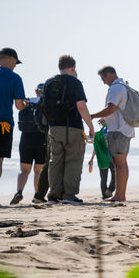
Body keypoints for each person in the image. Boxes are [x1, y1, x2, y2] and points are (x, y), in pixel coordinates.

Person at [46, 55, 95, 205]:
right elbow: (81, 107)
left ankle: (54, 195)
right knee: (73, 162)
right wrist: (90, 127)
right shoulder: (75, 82)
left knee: (55, 161)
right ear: (73, 67)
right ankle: (69, 195)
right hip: (72, 127)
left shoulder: (49, 82)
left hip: (53, 128)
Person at [0, 48, 27, 206]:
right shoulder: (15, 78)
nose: (16, 65)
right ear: (10, 59)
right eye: (16, 62)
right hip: (3, 124)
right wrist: (25, 104)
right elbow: (18, 106)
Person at [90, 66, 133, 202]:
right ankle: (121, 195)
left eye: (103, 78)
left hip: (117, 131)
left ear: (109, 75)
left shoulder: (115, 88)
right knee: (122, 163)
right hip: (126, 129)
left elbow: (110, 108)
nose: (103, 82)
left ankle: (119, 196)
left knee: (118, 163)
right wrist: (105, 118)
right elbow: (116, 110)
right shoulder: (124, 86)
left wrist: (92, 116)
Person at [11, 84, 46, 204]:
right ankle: (37, 195)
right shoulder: (46, 103)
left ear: (36, 92)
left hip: (26, 138)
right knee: (38, 171)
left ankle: (19, 191)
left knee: (24, 170)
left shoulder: (26, 101)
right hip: (42, 139)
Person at [88, 123, 116, 199]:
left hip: (102, 158)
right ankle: (109, 191)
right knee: (115, 175)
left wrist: (92, 159)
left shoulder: (99, 135)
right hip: (112, 158)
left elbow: (96, 148)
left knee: (103, 178)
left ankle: (105, 195)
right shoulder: (112, 132)